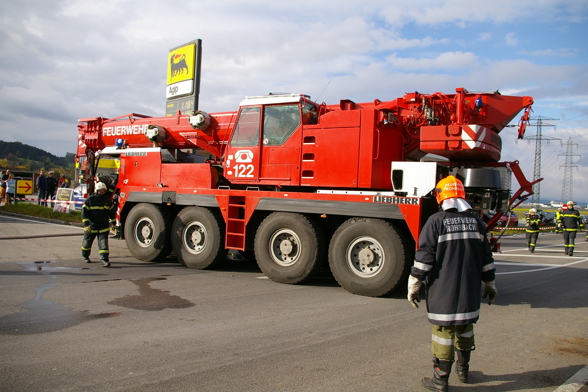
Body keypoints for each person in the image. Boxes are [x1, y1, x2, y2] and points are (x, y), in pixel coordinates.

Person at [408, 175, 497, 392]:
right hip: (469, 290)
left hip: (443, 289)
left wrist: (415, 282)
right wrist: (490, 283)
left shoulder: (436, 222)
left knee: (443, 331)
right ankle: (464, 371)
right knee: (465, 328)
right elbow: (487, 258)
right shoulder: (477, 222)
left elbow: (425, 256)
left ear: (440, 196)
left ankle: (440, 381)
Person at [81, 182, 116, 267]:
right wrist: (86, 225)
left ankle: (104, 260)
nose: (102, 192)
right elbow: (84, 213)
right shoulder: (90, 200)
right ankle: (85, 256)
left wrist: (114, 223)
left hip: (103, 227)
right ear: (97, 190)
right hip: (91, 227)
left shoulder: (107, 200)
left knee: (103, 244)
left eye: (103, 190)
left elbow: (111, 212)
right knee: (87, 244)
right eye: (100, 190)